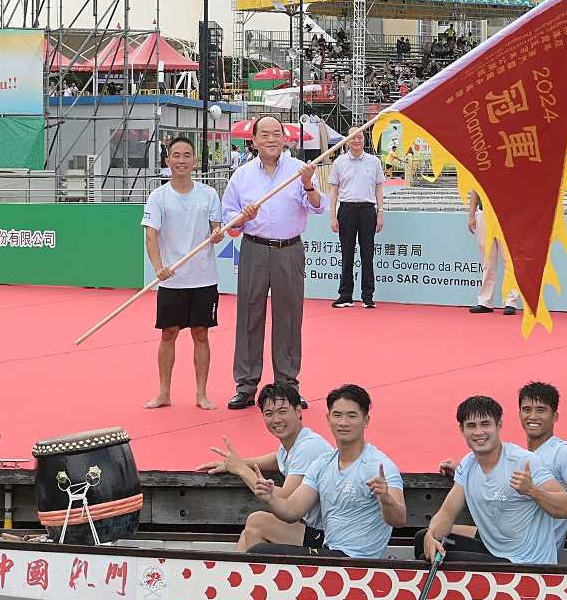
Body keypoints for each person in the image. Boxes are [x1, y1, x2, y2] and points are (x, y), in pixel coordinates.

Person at [434, 382, 567, 562]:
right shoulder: (486, 460)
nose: (533, 416)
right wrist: (463, 472)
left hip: (530, 555)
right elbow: (451, 508)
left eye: (540, 410)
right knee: (428, 538)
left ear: (555, 416)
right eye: (527, 409)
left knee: (445, 556)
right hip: (503, 541)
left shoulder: (560, 454)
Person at [221, 114, 324, 409]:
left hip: (289, 250)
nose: (271, 139)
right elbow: (229, 217)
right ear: (253, 140)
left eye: (276, 133)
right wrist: (243, 218)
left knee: (289, 318)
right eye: (264, 134)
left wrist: (308, 184)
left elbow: (317, 206)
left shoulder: (299, 170)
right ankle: (246, 385)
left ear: (284, 138)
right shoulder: (242, 175)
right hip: (253, 249)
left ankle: (287, 385)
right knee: (249, 316)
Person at [242, 384, 405, 558]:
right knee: (256, 534)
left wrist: (387, 500)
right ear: (328, 419)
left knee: (258, 551)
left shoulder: (378, 466)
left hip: (358, 562)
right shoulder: (322, 464)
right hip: (329, 552)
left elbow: (399, 519)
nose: (343, 422)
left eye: (351, 416)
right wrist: (270, 498)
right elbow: (292, 510)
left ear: (366, 420)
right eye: (337, 415)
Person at [141, 136, 225, 410]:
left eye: (187, 155)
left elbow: (217, 230)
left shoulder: (208, 194)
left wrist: (217, 235)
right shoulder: (158, 197)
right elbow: (151, 236)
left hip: (203, 277)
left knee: (201, 334)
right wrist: (158, 268)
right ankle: (164, 393)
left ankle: (201, 394)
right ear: (168, 161)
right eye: (176, 155)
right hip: (172, 279)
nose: (181, 160)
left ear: (194, 161)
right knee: (168, 334)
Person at [198, 382, 333, 552]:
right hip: (316, 529)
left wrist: (241, 469)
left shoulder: (309, 447)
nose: (276, 419)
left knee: (257, 522)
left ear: (299, 411)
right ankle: (235, 568)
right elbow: (277, 459)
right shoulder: (295, 443)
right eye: (269, 414)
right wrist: (235, 463)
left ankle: (241, 569)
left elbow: (285, 499)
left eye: (282, 411)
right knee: (249, 532)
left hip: (330, 536)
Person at [328, 129, 385, 308]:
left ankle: (368, 296)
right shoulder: (339, 162)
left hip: (368, 210)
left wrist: (381, 212)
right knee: (347, 254)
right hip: (346, 210)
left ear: (364, 140)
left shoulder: (374, 162)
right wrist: (332, 216)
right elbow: (334, 190)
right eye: (352, 138)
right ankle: (345, 295)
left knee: (367, 253)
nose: (356, 141)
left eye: (360, 137)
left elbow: (378, 188)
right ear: (347, 141)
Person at [467, 189, 520, 316]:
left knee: (509, 260)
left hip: (507, 214)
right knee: (487, 260)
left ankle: (511, 302)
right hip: (485, 213)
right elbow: (475, 190)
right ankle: (485, 301)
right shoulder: (482, 174)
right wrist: (471, 216)